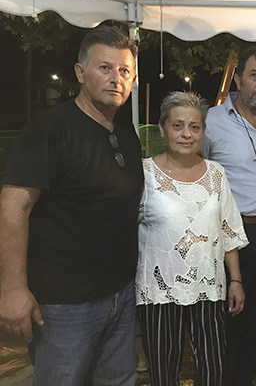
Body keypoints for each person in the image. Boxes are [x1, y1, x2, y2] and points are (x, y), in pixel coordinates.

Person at [0, 26, 142, 385]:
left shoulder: (126, 131)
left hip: (122, 295)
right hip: (64, 306)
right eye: (104, 68)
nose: (116, 78)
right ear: (80, 73)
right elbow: (13, 208)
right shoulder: (49, 129)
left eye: (124, 70)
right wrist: (13, 290)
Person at [136, 91, 248, 386]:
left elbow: (228, 230)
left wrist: (235, 280)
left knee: (213, 368)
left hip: (208, 289)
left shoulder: (216, 174)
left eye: (194, 127)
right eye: (178, 126)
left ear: (203, 131)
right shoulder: (144, 174)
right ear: (163, 129)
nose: (186, 134)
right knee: (164, 372)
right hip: (159, 292)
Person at [200, 47, 256, 386]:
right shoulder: (212, 121)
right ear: (237, 79)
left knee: (255, 315)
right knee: (228, 316)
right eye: (254, 75)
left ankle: (243, 379)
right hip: (232, 235)